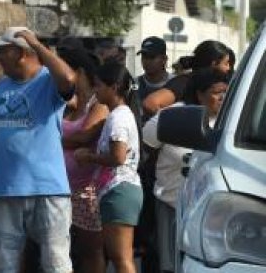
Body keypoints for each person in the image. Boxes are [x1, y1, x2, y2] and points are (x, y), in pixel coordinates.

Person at [0, 27, 76, 273]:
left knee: (55, 260)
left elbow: (69, 79)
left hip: (48, 189)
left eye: (2, 51)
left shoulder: (48, 81)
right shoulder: (2, 87)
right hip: (4, 189)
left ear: (20, 53)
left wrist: (37, 45)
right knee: (4, 261)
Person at [142, 68, 230, 273]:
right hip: (170, 202)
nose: (223, 97)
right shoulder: (174, 115)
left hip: (212, 209)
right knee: (170, 265)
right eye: (217, 92)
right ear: (200, 94)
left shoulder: (229, 119)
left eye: (226, 91)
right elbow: (146, 145)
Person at [75, 63, 141, 273]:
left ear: (114, 88)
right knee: (120, 257)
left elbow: (118, 156)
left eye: (99, 86)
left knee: (121, 258)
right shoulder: (119, 114)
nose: (95, 91)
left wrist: (89, 157)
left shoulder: (118, 117)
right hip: (116, 191)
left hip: (119, 190)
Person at [58, 48, 107, 273]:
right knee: (63, 251)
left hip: (87, 189)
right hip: (61, 188)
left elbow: (85, 136)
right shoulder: (67, 102)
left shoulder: (99, 103)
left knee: (91, 250)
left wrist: (49, 141)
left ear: (77, 71)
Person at [134, 37, 171, 273]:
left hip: (166, 167)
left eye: (152, 56)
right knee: (144, 231)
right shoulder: (134, 86)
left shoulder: (175, 88)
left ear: (164, 59)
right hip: (139, 166)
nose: (147, 62)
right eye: (144, 56)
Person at [143, 40, 235, 117]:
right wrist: (175, 127)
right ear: (213, 64)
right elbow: (151, 103)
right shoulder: (185, 82)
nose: (229, 68)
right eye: (226, 63)